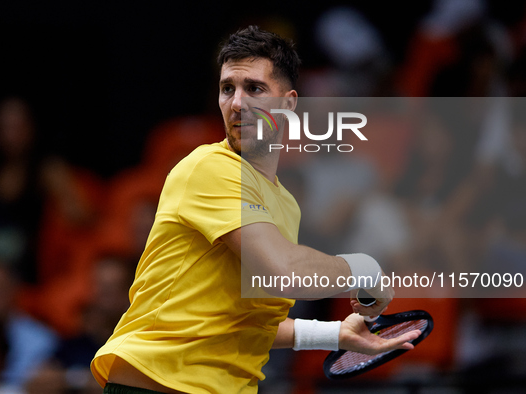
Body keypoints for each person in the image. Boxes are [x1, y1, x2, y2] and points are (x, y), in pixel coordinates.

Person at [90, 26, 420, 394]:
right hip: (156, 386)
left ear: (289, 104)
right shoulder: (209, 167)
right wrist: (364, 268)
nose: (237, 103)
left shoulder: (285, 205)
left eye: (255, 89)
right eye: (227, 88)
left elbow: (244, 323)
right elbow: (286, 272)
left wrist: (333, 333)